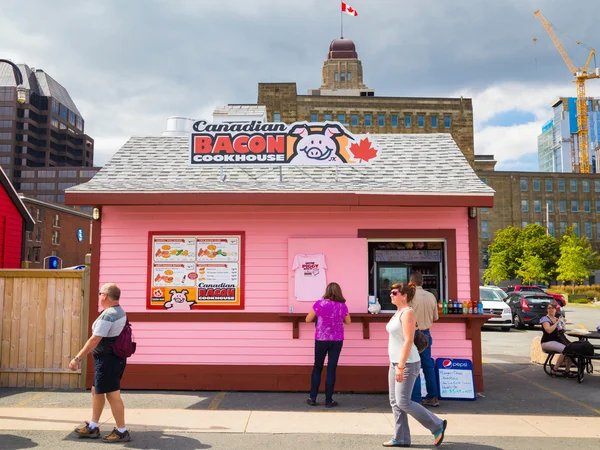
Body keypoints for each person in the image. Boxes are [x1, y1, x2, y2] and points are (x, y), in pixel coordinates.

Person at [384, 282, 447, 448]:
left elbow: (409, 340)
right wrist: (396, 364)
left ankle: (437, 425)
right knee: (395, 402)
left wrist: (401, 366)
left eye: (394, 292)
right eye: (391, 292)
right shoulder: (397, 312)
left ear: (404, 296)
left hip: (407, 363)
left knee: (403, 402)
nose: (391, 294)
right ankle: (401, 438)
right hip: (395, 362)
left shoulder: (408, 313)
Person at [69, 283, 131, 442]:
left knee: (113, 396)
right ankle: (93, 426)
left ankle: (122, 431)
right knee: (97, 391)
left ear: (105, 296)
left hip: (108, 362)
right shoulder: (119, 311)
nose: (99, 296)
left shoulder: (109, 315)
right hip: (112, 360)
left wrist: (77, 358)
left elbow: (95, 340)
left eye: (100, 293)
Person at [305, 282, 351, 408]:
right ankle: (328, 400)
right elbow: (348, 322)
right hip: (337, 340)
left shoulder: (319, 304)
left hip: (321, 339)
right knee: (331, 368)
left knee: (317, 367)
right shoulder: (342, 306)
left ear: (327, 291)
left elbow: (308, 319)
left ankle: (312, 398)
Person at [409, 272, 440, 407]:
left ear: (411, 282)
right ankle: (433, 396)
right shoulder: (431, 296)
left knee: (413, 366)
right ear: (423, 282)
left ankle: (415, 398)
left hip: (413, 333)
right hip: (426, 334)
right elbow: (435, 318)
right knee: (428, 366)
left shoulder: (410, 296)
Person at [541, 303, 574, 378]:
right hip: (547, 342)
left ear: (556, 310)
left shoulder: (556, 319)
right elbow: (549, 330)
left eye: (552, 308)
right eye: (549, 308)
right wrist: (557, 323)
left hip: (558, 340)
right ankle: (554, 370)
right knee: (565, 350)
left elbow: (562, 331)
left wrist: (562, 324)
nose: (551, 310)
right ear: (547, 310)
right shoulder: (545, 319)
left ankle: (567, 370)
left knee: (572, 349)